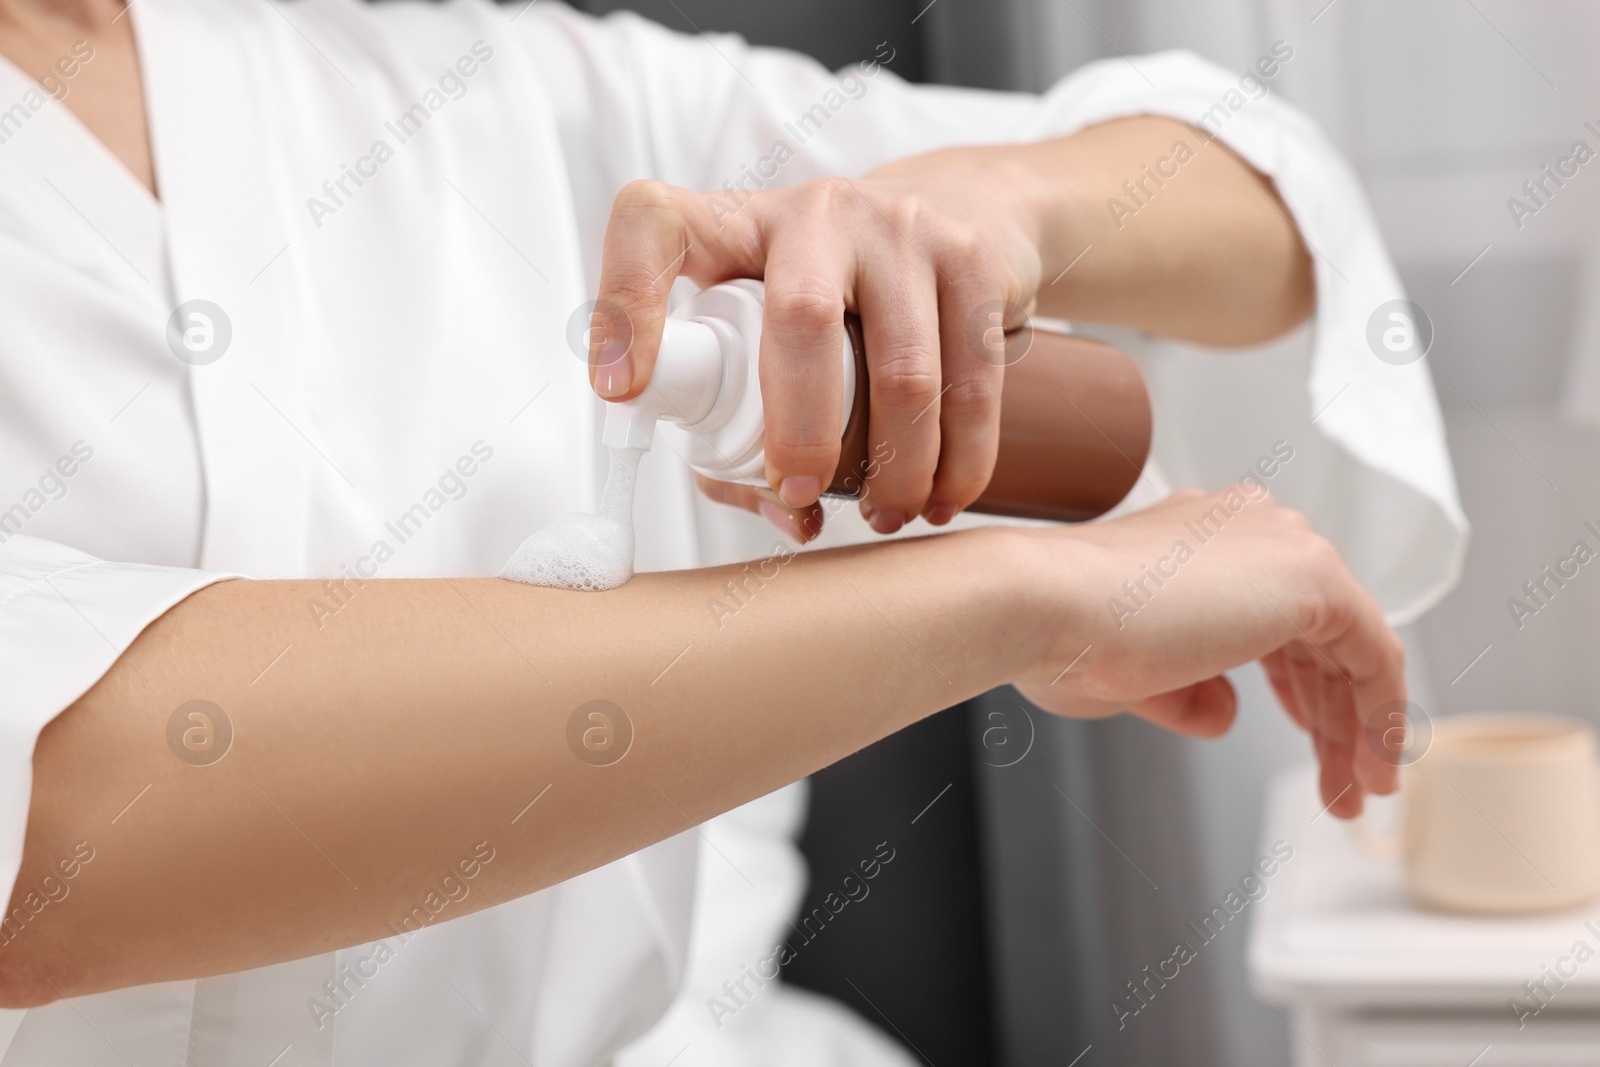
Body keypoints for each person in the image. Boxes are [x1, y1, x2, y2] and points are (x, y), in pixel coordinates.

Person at [0, 0, 1462, 1063]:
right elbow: (56, 825)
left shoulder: (482, 87)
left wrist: (991, 206)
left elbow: (1270, 218)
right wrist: (1013, 598)